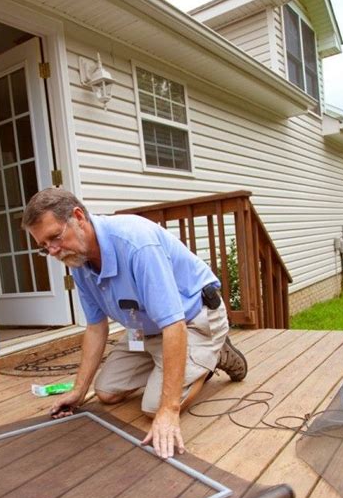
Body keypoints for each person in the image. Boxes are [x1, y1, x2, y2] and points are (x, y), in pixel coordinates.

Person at [22, 187, 247, 459]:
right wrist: (79, 390)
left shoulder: (136, 243)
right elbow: (95, 327)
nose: (54, 251)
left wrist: (169, 410)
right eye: (44, 247)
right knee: (105, 392)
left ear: (78, 217)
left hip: (191, 320)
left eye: (54, 237)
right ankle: (181, 362)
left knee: (154, 408)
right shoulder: (77, 260)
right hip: (146, 330)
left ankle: (214, 353)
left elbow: (174, 324)